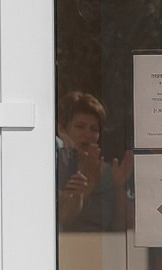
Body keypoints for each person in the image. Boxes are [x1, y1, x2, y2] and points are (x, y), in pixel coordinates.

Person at [55, 91, 133, 232]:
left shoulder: (111, 173)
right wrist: (89, 182)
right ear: (62, 129)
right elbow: (61, 221)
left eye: (94, 129)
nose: (88, 134)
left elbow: (123, 229)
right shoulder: (54, 168)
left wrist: (119, 188)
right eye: (80, 126)